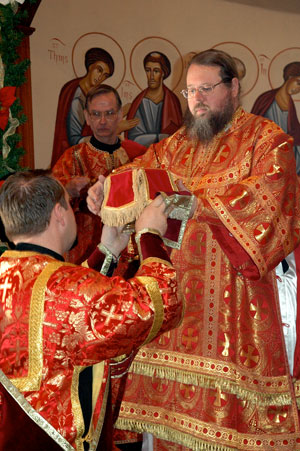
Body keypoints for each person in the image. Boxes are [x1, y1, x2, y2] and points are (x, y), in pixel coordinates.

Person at [87, 49, 300, 450]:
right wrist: (108, 186)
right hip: (176, 305)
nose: (196, 100)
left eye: (206, 89)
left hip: (233, 310)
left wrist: (196, 202)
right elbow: (140, 172)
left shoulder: (268, 141)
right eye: (189, 92)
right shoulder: (178, 144)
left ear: (233, 87)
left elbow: (272, 206)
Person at [0, 169, 183, 451]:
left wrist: (107, 250)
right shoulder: (74, 290)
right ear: (60, 214)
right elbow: (162, 300)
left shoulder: (10, 275)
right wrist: (149, 234)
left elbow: (57, 306)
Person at [52, 84, 147, 265]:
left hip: (128, 251)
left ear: (120, 115)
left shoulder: (138, 157)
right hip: (85, 250)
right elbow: (49, 205)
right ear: (87, 117)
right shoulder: (72, 158)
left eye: (109, 113)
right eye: (96, 114)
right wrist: (67, 190)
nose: (102, 121)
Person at [51, 47, 115, 167]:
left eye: (105, 75)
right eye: (99, 70)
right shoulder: (77, 96)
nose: (100, 77)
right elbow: (74, 140)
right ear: (90, 66)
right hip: (73, 161)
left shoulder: (93, 95)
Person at [125, 51, 183, 147]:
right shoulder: (139, 102)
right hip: (142, 156)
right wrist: (161, 137)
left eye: (156, 71)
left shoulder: (172, 101)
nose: (151, 76)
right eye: (148, 70)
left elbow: (177, 137)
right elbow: (134, 139)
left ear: (163, 73)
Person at [251, 61, 300, 174]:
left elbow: (294, 130)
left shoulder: (290, 103)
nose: (298, 89)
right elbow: (254, 124)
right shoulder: (266, 98)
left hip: (283, 148)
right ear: (290, 77)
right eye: (298, 83)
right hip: (265, 147)